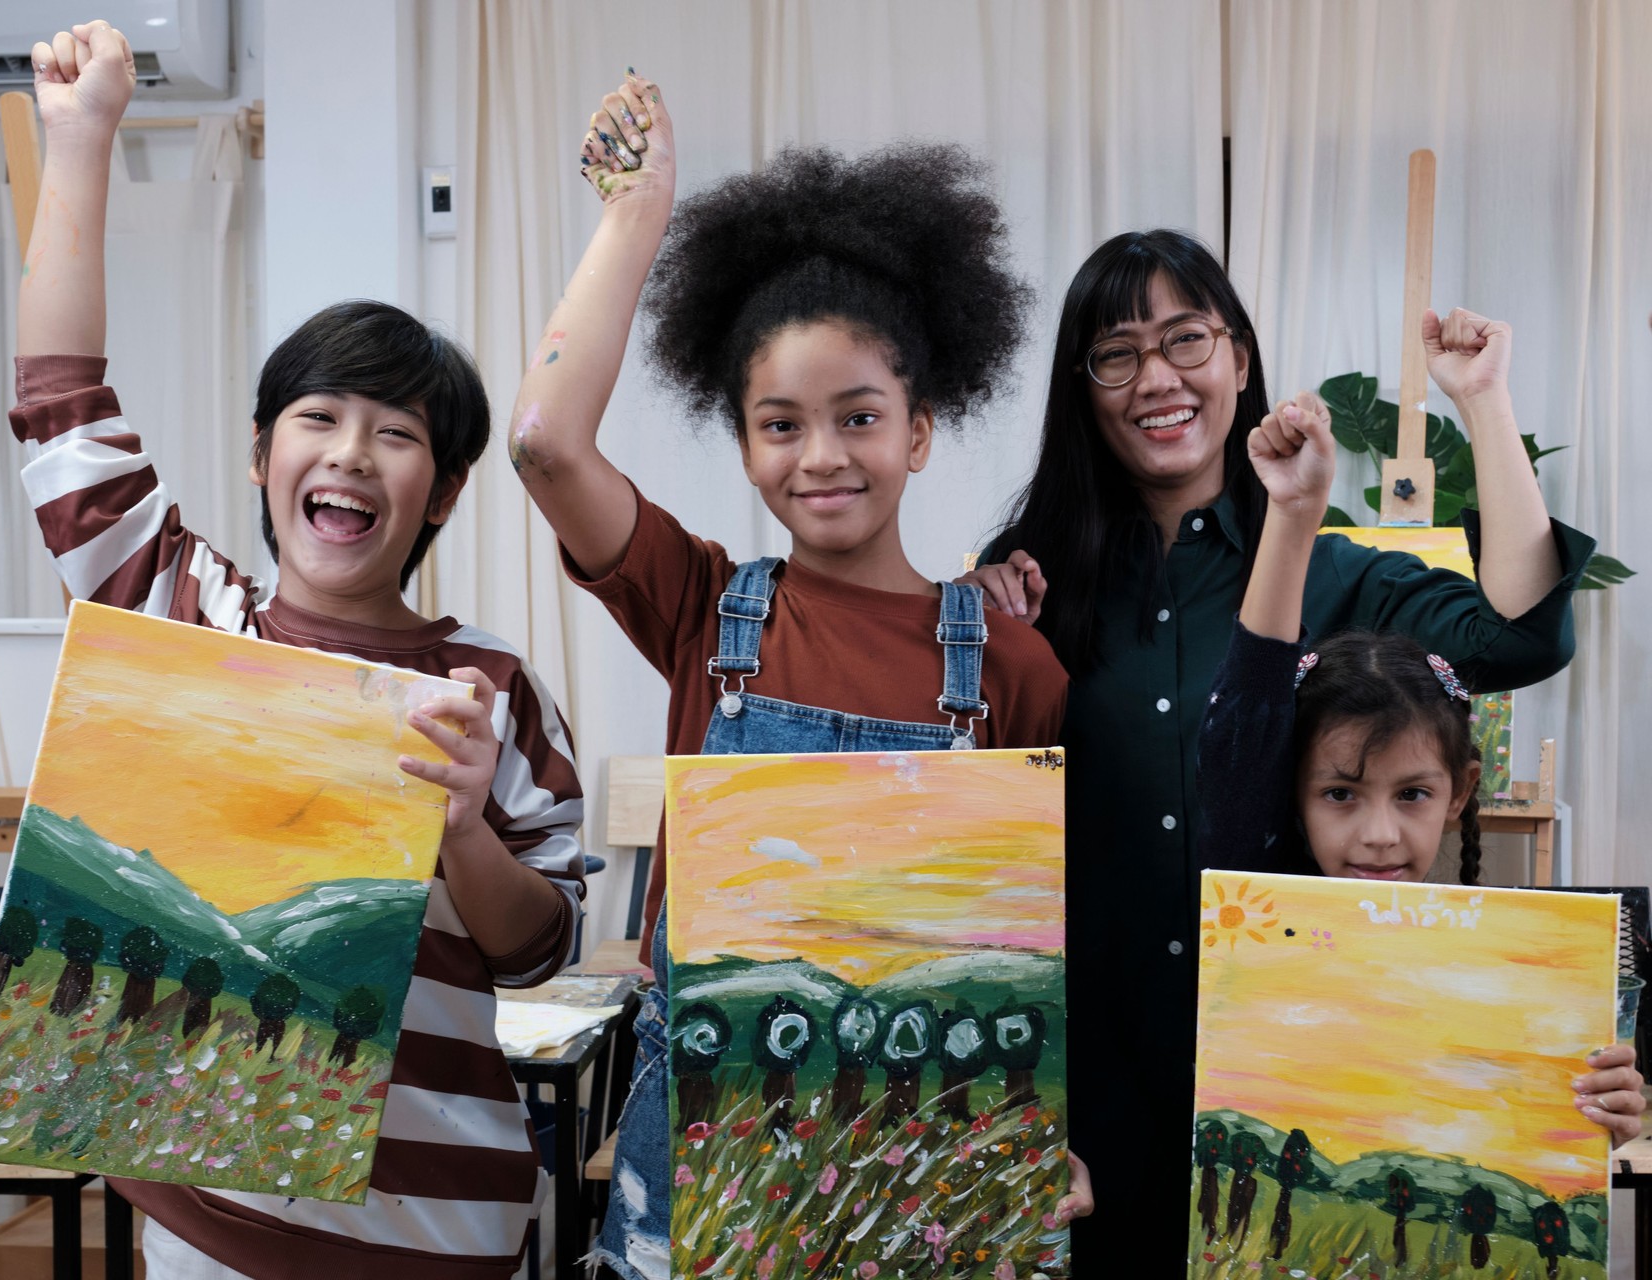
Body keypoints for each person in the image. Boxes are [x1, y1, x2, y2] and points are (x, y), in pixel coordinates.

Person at [13, 23, 584, 1277]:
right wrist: (81, 138)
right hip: (209, 1212)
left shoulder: (489, 687)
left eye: (397, 433)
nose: (350, 452)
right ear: (264, 449)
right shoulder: (179, 603)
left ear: (441, 491)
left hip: (441, 1220)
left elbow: (544, 955)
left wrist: (467, 826)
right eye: (317, 418)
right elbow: (61, 394)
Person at [508, 71, 1080, 1279]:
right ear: (744, 442)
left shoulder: (1010, 664)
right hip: (701, 1148)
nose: (821, 455)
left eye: (860, 417)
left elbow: (1044, 940)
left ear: (920, 430)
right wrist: (637, 215)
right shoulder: (705, 605)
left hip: (933, 1154)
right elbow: (546, 440)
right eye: (780, 422)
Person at [968, 229, 1596, 1268]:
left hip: (1300, 1071)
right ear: (1082, 386)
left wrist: (1482, 399)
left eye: (1185, 339)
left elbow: (1522, 632)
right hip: (1090, 1090)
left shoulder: (1339, 571)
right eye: (1116, 354)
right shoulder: (1031, 583)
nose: (1156, 378)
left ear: (1240, 358)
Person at [1197, 387, 1644, 1148]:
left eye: (1412, 794)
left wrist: (1597, 1114)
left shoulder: (1520, 979)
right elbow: (1243, 722)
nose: (1378, 834)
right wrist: (1294, 516)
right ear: (1292, 791)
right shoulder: (1255, 943)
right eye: (1340, 792)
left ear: (1461, 789)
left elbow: (1550, 1141)